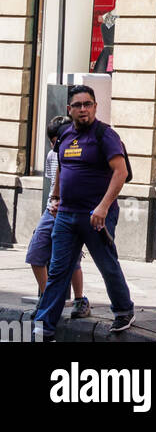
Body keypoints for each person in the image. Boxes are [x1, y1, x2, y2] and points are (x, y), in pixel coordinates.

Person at [34, 86, 134, 341]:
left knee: (106, 264)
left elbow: (120, 172)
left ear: (95, 107)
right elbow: (61, 169)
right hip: (66, 215)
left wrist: (103, 207)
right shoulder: (65, 135)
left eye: (87, 104)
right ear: (70, 110)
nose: (83, 109)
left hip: (96, 215)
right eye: (78, 105)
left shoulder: (105, 135)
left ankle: (124, 310)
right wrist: (55, 197)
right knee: (58, 269)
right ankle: (44, 325)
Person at [26, 115, 87, 315]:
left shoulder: (80, 155)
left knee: (72, 260)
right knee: (36, 252)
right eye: (53, 142)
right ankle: (47, 297)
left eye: (58, 141)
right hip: (51, 211)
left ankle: (79, 299)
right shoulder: (52, 156)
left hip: (72, 211)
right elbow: (53, 182)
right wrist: (54, 201)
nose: (56, 145)